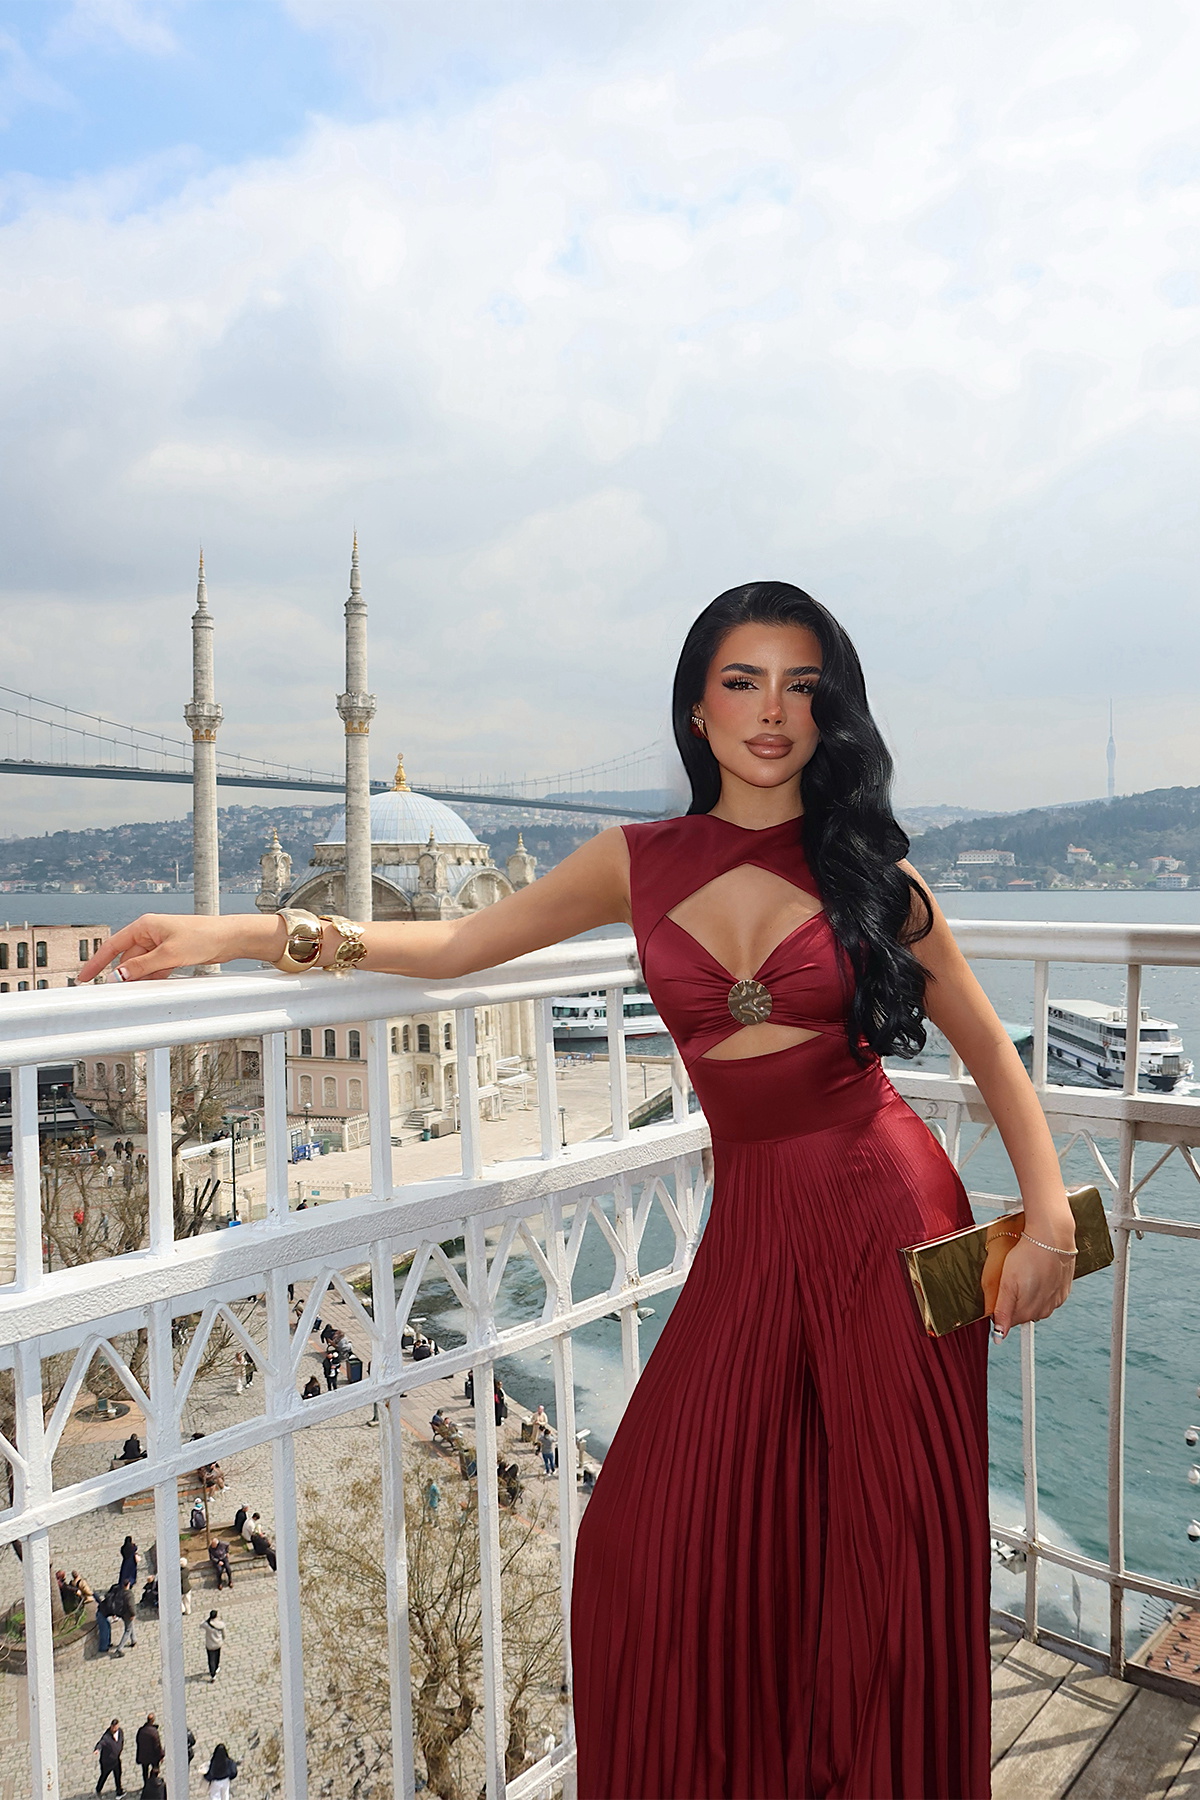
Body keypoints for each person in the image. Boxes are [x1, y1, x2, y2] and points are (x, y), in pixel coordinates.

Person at [82, 581, 1079, 1798]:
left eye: (802, 686)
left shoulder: (871, 869)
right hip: (755, 1229)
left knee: (887, 1548)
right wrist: (240, 934)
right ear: (697, 710)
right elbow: (456, 946)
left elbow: (986, 1045)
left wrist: (1050, 1220)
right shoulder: (635, 861)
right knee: (642, 1542)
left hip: (891, 1215)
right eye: (743, 682)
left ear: (831, 712)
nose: (772, 711)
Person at [94, 1718, 124, 1794]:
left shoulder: (120, 1732)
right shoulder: (106, 1737)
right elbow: (101, 1743)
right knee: (104, 1775)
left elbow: (121, 1741)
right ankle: (98, 1789)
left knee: (118, 1775)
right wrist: (97, 1749)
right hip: (107, 1762)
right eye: (113, 1727)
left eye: (116, 1727)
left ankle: (119, 1791)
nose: (114, 1729)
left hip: (116, 1760)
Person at [134, 1716, 163, 1788]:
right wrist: (161, 1755)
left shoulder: (141, 1730)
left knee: (145, 1771)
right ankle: (153, 1783)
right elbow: (157, 1746)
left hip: (144, 1755)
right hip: (153, 1756)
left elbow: (137, 1741)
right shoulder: (154, 1732)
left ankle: (146, 1784)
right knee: (155, 1769)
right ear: (153, 1721)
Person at [110, 1581, 136, 1653]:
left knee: (130, 1625)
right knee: (128, 1630)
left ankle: (134, 1640)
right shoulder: (129, 1594)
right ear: (128, 1584)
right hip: (128, 1614)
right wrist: (133, 1614)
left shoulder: (120, 1593)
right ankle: (120, 1648)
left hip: (122, 1613)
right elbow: (131, 1606)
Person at [203, 1608, 226, 1681]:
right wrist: (222, 1639)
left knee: (211, 1659)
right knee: (217, 1656)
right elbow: (224, 1634)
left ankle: (213, 1674)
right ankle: (216, 1667)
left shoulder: (207, 1625)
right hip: (218, 1643)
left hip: (210, 1645)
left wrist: (207, 1620)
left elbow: (201, 1625)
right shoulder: (221, 1624)